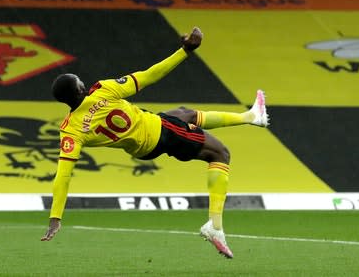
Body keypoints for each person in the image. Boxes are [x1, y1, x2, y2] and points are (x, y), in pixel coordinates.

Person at [40, 27, 269, 259]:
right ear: (80, 88)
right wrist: (185, 51)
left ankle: (251, 117)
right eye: (80, 82)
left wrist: (55, 217)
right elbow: (149, 75)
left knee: (184, 113)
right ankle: (215, 226)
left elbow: (63, 175)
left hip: (144, 145)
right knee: (220, 154)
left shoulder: (70, 129)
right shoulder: (102, 91)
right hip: (160, 133)